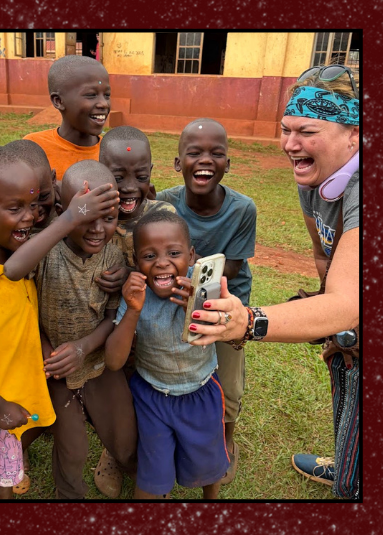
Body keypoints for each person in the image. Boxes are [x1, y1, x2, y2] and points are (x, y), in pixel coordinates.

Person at [188, 66, 360, 499]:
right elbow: (324, 254)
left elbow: (347, 304)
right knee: (348, 386)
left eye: (307, 131)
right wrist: (335, 324)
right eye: (286, 129)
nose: (289, 144)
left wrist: (248, 321)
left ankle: (352, 479)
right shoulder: (315, 178)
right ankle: (348, 461)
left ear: (355, 135)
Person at [0, 146, 117, 499]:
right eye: (15, 208)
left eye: (32, 205)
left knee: (14, 454)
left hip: (24, 390)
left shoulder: (7, 254)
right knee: (2, 475)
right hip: (2, 406)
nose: (31, 217)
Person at [154, 118, 257, 485]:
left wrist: (188, 275)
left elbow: (232, 266)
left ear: (228, 163)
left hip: (227, 300)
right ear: (178, 162)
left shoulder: (243, 209)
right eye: (194, 152)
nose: (205, 160)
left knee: (227, 375)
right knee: (157, 362)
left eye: (217, 153)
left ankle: (226, 436)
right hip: (176, 294)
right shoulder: (164, 203)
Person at [104, 210, 227, 499]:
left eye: (173, 253)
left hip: (201, 393)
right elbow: (114, 361)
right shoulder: (135, 295)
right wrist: (133, 310)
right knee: (152, 474)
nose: (161, 262)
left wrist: (195, 308)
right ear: (136, 262)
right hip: (152, 396)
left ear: (191, 256)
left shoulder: (205, 289)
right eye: (149, 256)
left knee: (208, 465)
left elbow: (227, 331)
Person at [33, 161, 135, 499]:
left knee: (125, 443)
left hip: (97, 361)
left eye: (109, 218)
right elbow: (23, 307)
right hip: (56, 368)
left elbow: (112, 317)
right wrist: (47, 349)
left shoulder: (114, 254)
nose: (98, 229)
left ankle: (132, 469)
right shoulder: (43, 251)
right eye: (86, 217)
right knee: (72, 450)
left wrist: (83, 348)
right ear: (62, 211)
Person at [23, 55, 110, 181]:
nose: (104, 103)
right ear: (58, 101)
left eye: (107, 95)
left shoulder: (112, 152)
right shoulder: (34, 148)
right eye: (91, 95)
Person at [101, 127, 178, 267]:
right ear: (100, 171)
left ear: (150, 171)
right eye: (118, 178)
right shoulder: (93, 219)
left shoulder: (163, 216)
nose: (130, 187)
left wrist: (128, 274)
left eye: (141, 177)